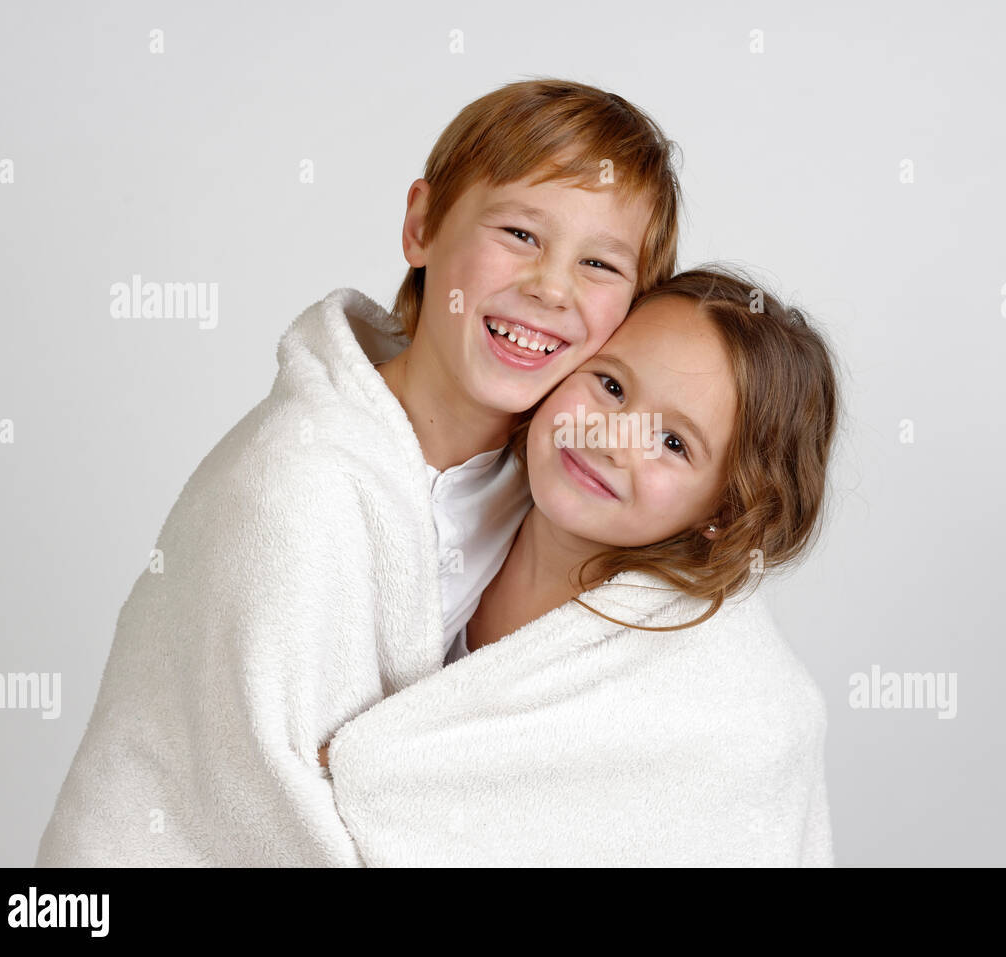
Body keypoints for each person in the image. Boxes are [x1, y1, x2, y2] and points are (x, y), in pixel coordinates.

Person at [34, 77, 683, 866]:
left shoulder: (558, 483)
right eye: (519, 232)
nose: (551, 286)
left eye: (600, 264)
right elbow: (261, 791)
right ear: (422, 225)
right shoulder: (296, 483)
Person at [322, 266, 844, 866]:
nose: (611, 438)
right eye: (612, 386)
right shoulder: (430, 497)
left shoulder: (728, 718)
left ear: (725, 511)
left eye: (673, 443)